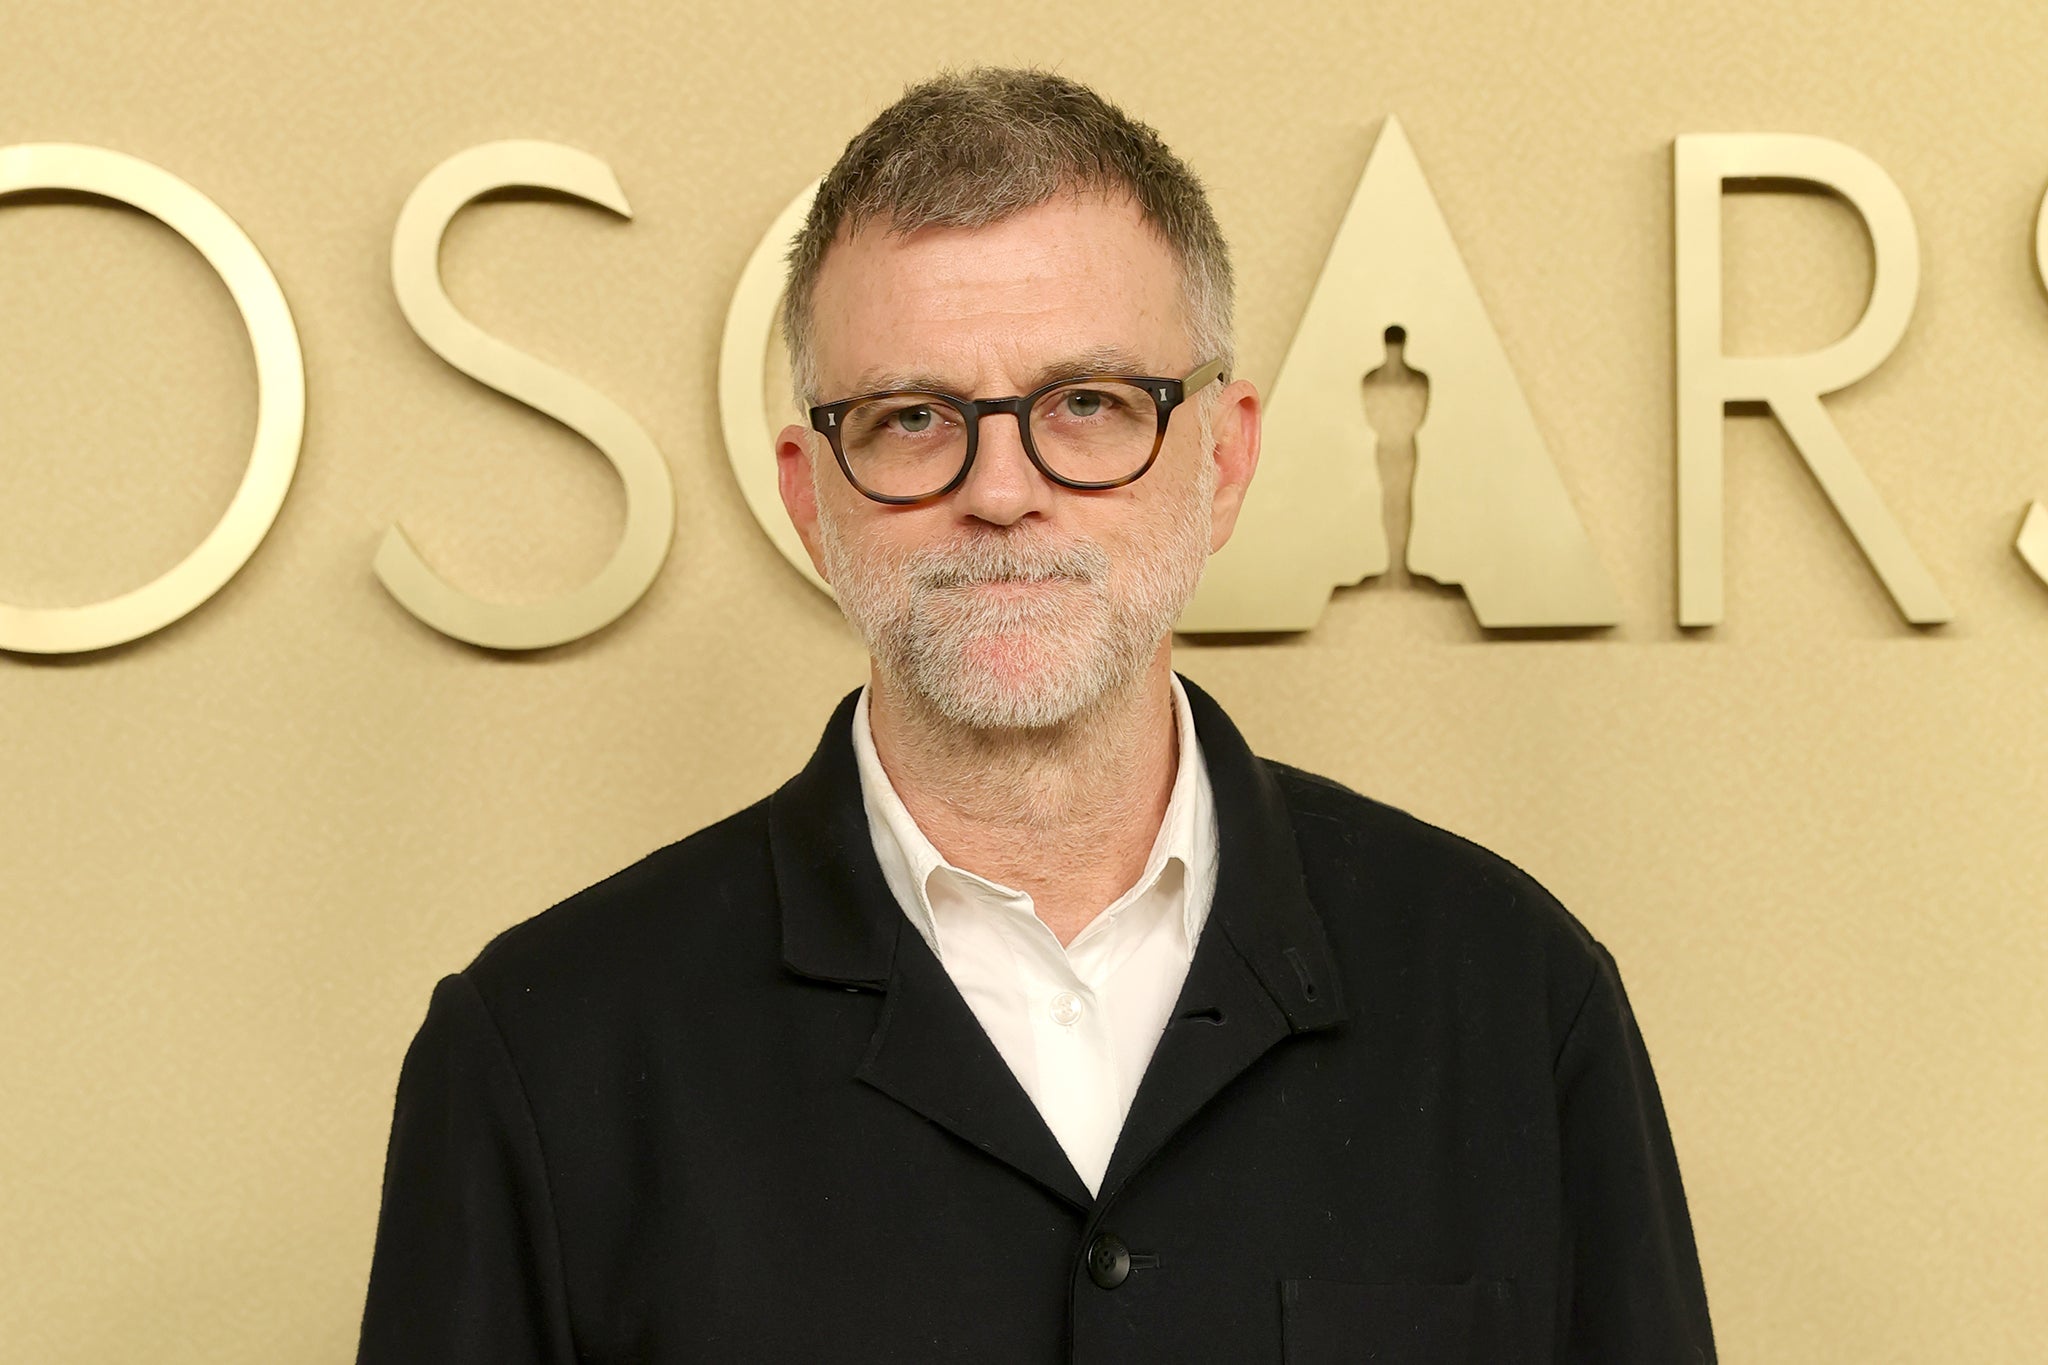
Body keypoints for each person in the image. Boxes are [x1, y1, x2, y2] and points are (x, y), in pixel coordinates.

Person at [355, 67, 1716, 1364]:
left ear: (1225, 460)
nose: (1002, 492)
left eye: (1087, 405)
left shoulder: (1515, 997)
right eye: (911, 418)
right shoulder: (543, 1055)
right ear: (808, 495)